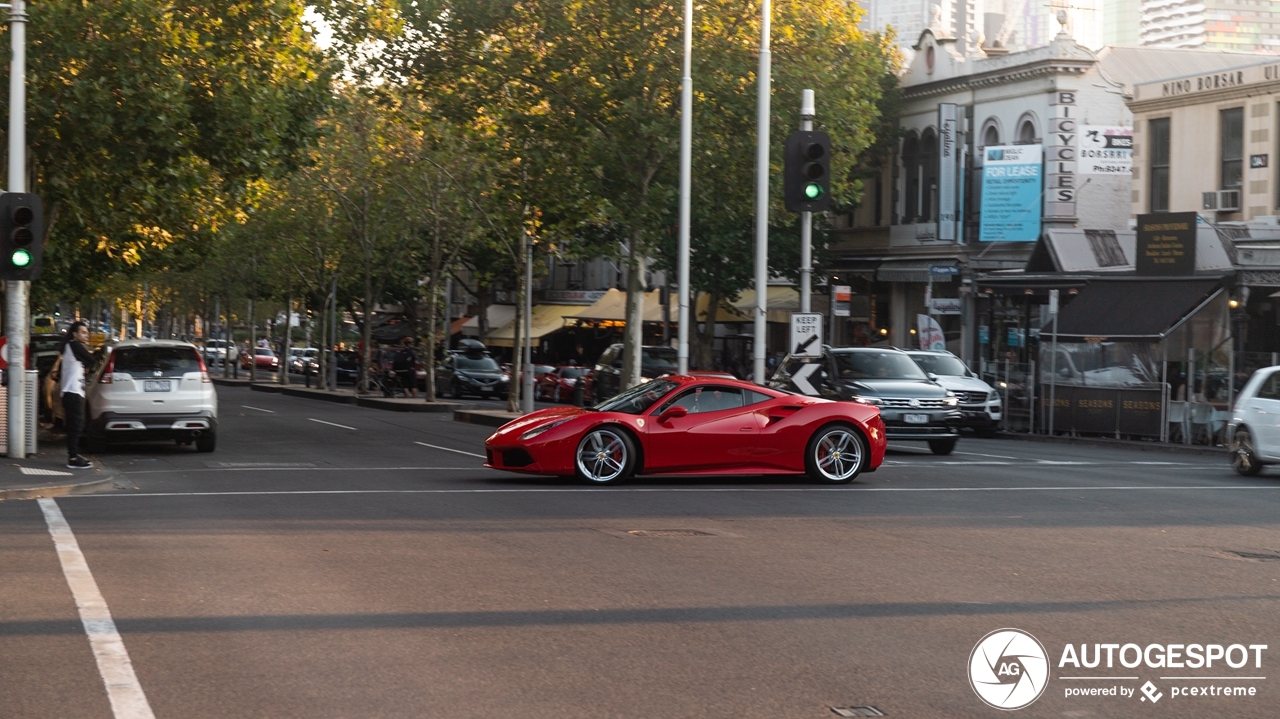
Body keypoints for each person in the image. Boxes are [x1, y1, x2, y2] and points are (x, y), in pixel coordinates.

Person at [60, 321, 94, 469]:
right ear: (75, 334)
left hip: (72, 391)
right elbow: (91, 359)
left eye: (86, 332)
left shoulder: (70, 346)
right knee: (76, 425)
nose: (86, 335)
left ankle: (74, 455)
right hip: (72, 392)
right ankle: (73, 458)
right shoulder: (74, 345)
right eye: (83, 332)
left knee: (76, 425)